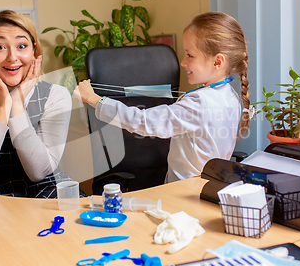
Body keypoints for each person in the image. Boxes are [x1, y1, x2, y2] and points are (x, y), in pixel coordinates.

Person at [74, 12, 252, 182]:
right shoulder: (231, 97)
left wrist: (95, 100)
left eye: (190, 55)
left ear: (217, 61)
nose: (183, 62)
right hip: (208, 187)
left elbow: (143, 121)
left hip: (185, 193)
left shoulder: (199, 102)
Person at [0, 10, 81, 198]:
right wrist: (3, 107)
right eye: (0, 47)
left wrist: (17, 105)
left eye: (21, 45)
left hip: (44, 194)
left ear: (34, 50)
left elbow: (38, 173)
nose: (12, 57)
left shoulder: (56, 96)